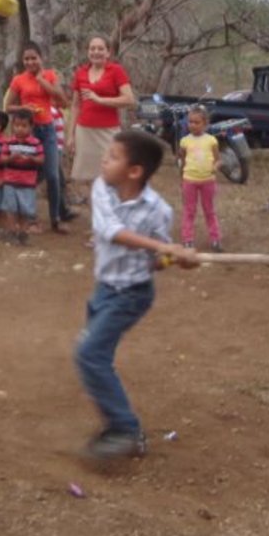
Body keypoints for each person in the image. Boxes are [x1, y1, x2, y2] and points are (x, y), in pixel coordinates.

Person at [76, 128, 199, 459]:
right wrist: (163, 246)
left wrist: (177, 259)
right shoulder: (102, 189)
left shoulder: (158, 211)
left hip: (132, 294)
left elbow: (158, 261)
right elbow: (110, 231)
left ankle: (126, 429)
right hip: (104, 288)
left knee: (89, 354)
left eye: (113, 157)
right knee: (93, 355)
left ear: (134, 171)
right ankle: (123, 427)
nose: (104, 160)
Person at [3, 42, 74, 232]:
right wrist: (23, 108)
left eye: (34, 58)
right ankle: (28, 217)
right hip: (28, 132)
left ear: (41, 58)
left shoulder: (50, 75)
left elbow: (62, 100)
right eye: (26, 58)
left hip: (48, 130)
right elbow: (8, 107)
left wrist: (42, 80)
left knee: (52, 174)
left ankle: (56, 219)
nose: (30, 62)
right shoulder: (18, 80)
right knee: (29, 173)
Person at [66, 35, 135, 205]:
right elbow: (75, 105)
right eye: (92, 48)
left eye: (100, 48)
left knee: (110, 175)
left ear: (108, 52)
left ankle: (113, 220)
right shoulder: (80, 73)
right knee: (90, 179)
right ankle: (97, 223)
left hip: (108, 131)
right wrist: (70, 135)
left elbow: (129, 99)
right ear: (88, 52)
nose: (96, 52)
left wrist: (101, 100)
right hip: (84, 130)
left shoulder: (116, 71)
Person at [177, 105, 224, 251]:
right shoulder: (184, 141)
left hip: (207, 181)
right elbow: (182, 160)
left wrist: (215, 168)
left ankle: (215, 239)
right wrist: (182, 176)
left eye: (196, 122)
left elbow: (218, 160)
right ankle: (187, 240)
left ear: (205, 124)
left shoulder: (211, 141)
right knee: (189, 210)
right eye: (190, 122)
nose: (193, 125)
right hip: (189, 180)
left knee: (209, 210)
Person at [0, 108, 43, 244]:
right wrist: (12, 157)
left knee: (25, 209)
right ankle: (12, 231)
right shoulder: (8, 142)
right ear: (12, 126)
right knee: (11, 208)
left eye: (24, 126)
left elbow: (41, 160)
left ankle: (23, 233)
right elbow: (2, 159)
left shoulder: (36, 143)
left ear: (31, 126)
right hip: (10, 181)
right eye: (17, 125)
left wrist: (32, 158)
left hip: (27, 183)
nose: (20, 129)